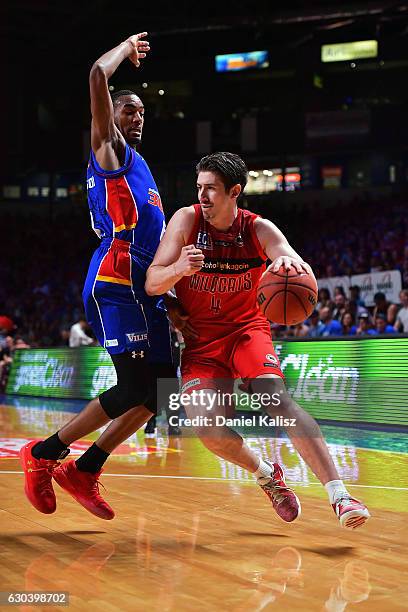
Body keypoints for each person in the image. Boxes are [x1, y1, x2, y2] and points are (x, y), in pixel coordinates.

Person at [145, 151, 370, 529]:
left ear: (234, 191)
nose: (202, 195)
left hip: (246, 333)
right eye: (199, 187)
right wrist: (179, 268)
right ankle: (268, 474)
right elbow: (153, 282)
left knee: (277, 400)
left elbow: (294, 262)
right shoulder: (185, 220)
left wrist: (286, 264)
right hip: (201, 342)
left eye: (211, 189)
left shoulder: (258, 229)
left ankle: (340, 495)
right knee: (209, 430)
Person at [19, 32, 190, 521]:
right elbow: (97, 75)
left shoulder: (143, 168)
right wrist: (125, 49)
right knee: (134, 385)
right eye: (128, 109)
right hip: (115, 283)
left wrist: (172, 298)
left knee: (160, 393)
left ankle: (86, 468)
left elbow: (156, 244)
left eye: (141, 111)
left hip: (147, 290)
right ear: (109, 116)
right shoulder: (108, 151)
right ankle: (46, 452)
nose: (136, 116)